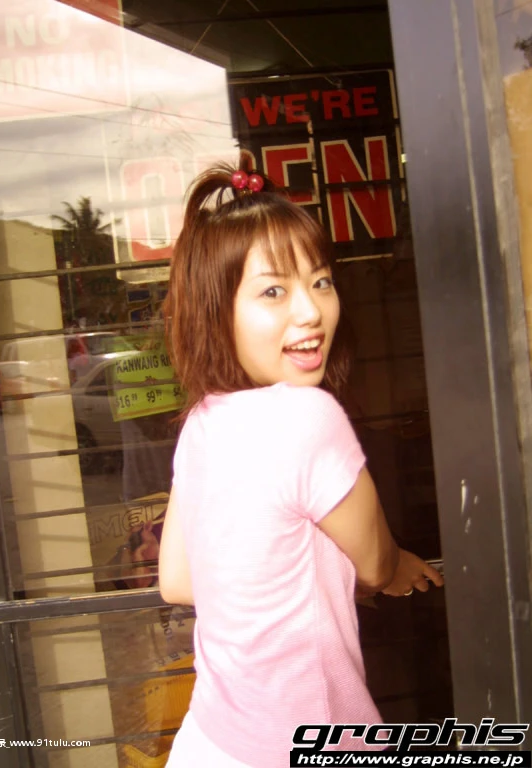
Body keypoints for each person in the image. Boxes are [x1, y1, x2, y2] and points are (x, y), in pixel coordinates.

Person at [158, 164, 444, 767]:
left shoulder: (202, 421)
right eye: (273, 291)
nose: (311, 311)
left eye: (320, 282)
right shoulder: (305, 416)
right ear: (218, 310)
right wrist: (396, 564)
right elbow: (376, 564)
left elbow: (178, 581)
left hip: (210, 741)